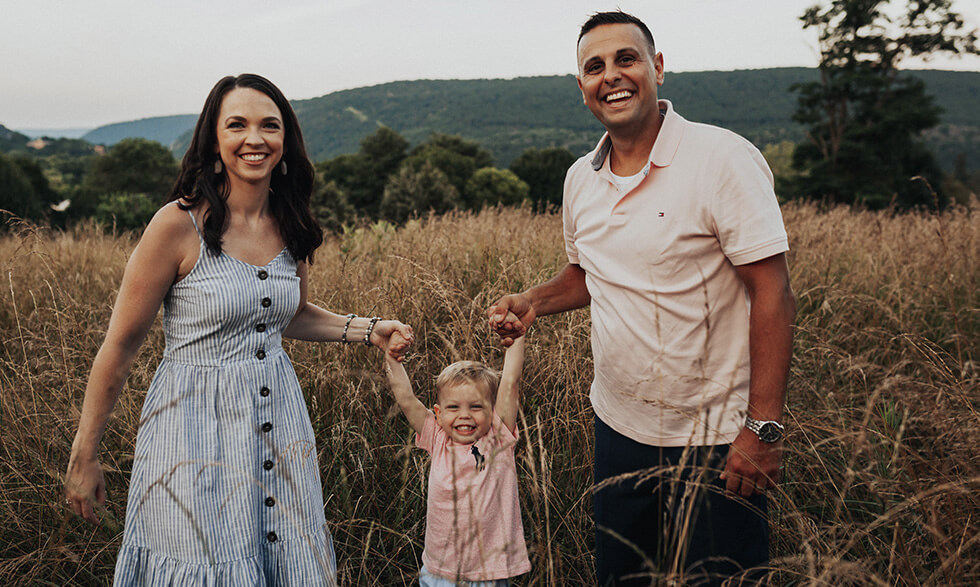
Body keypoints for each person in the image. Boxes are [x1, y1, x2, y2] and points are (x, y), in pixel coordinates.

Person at [63, 73, 415, 585]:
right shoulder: (176, 225)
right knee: (201, 562)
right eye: (238, 125)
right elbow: (120, 346)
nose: (255, 138)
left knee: (283, 556)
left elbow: (290, 313)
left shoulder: (290, 221)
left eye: (269, 126)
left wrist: (370, 329)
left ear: (285, 140)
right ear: (214, 140)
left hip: (278, 426)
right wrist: (84, 454)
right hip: (191, 430)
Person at [488, 11, 797, 586]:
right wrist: (533, 301)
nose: (612, 76)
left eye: (626, 59)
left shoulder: (723, 158)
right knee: (624, 578)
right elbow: (588, 273)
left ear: (656, 67)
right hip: (619, 430)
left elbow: (772, 291)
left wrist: (763, 428)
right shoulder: (581, 178)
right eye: (594, 66)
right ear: (580, 88)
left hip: (716, 438)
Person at [382, 328, 530, 586]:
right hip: (440, 572)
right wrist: (392, 357)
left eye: (476, 406)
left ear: (492, 411)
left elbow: (510, 382)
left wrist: (516, 336)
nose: (464, 415)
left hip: (488, 573)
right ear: (438, 414)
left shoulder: (498, 438)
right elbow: (406, 399)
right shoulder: (437, 438)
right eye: (453, 407)